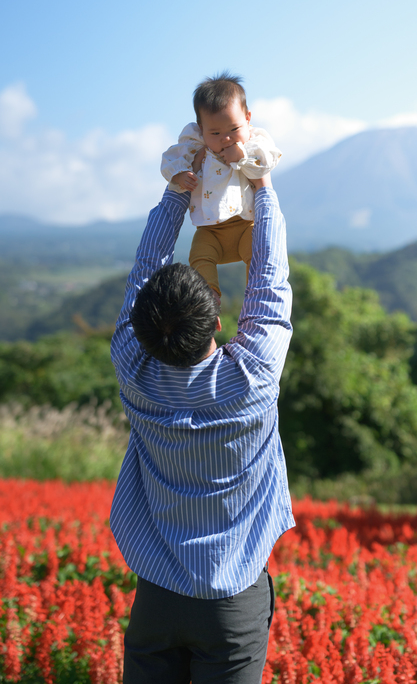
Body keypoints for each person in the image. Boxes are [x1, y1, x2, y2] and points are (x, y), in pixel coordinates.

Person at [109, 168, 294, 684]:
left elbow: (143, 272)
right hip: (232, 605)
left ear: (143, 327)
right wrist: (262, 187)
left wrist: (175, 192)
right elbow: (270, 281)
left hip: (157, 597)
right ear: (215, 320)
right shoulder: (252, 377)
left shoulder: (133, 368)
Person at [161, 73, 282, 300]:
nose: (226, 139)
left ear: (247, 118)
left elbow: (268, 161)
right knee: (198, 257)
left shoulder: (255, 141)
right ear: (201, 128)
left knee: (259, 253)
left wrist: (243, 155)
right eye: (215, 133)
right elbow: (169, 159)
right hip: (210, 230)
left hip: (246, 224)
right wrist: (179, 174)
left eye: (233, 130)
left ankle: (255, 295)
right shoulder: (195, 144)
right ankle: (209, 299)